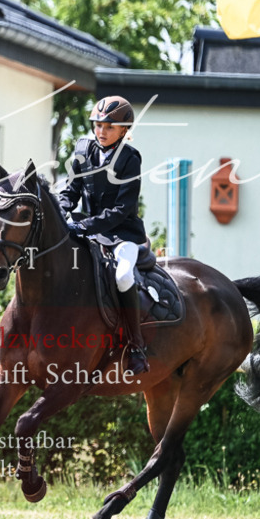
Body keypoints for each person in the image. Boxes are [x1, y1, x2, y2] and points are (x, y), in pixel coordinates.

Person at [57, 96, 151, 375]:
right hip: (88, 231)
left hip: (123, 235)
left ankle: (136, 346)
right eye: (98, 125)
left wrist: (84, 226)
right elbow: (70, 191)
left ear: (124, 130)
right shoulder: (83, 150)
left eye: (109, 127)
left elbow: (123, 209)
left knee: (123, 275)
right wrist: (61, 211)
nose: (101, 131)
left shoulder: (130, 159)